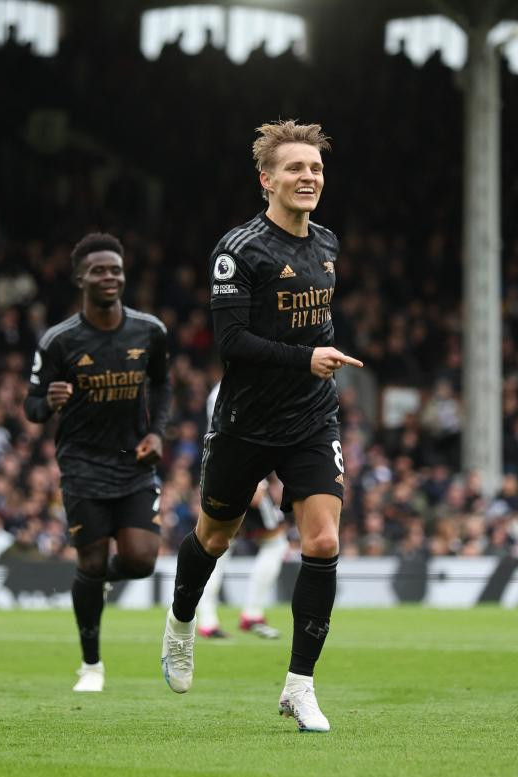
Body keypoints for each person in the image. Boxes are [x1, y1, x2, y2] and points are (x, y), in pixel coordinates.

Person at [160, 119, 362, 733]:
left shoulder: (326, 243)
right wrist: (304, 358)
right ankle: (180, 623)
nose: (309, 177)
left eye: (316, 168)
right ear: (267, 179)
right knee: (215, 537)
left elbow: (315, 325)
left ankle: (299, 685)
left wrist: (317, 360)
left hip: (309, 416)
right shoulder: (240, 249)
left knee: (322, 542)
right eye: (296, 168)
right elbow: (231, 343)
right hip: (246, 422)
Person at [24, 232, 171, 693]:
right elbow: (30, 408)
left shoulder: (149, 331)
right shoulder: (59, 341)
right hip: (82, 464)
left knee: (142, 560)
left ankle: (93, 582)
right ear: (79, 278)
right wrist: (48, 400)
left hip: (134, 461)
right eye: (99, 270)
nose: (109, 277)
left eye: (115, 269)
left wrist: (157, 432)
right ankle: (91, 665)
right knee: (90, 561)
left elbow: (163, 386)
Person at [196, 381, 289, 641]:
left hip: (219, 473)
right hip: (241, 474)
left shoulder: (220, 388)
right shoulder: (239, 388)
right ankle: (250, 614)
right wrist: (257, 480)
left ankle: (209, 620)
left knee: (218, 545)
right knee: (275, 543)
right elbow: (234, 436)